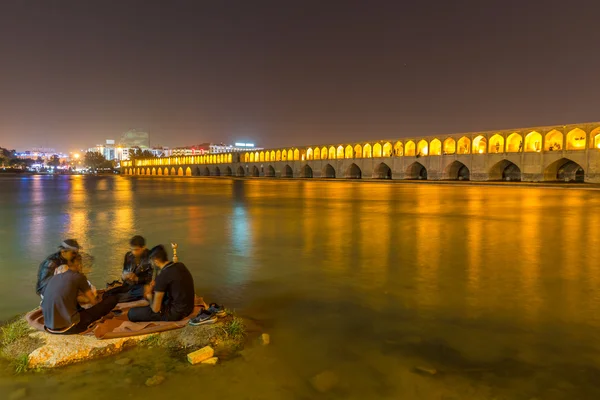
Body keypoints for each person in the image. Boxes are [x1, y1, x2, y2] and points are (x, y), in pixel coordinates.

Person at [41, 254, 118, 334]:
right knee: (112, 299)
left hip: (49, 327)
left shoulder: (53, 279)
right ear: (79, 265)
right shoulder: (78, 277)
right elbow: (94, 302)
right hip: (69, 328)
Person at [128, 244, 195, 322]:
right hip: (189, 308)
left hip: (176, 313)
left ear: (156, 261)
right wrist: (157, 286)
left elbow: (156, 309)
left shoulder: (162, 276)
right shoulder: (180, 265)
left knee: (132, 313)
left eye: (152, 262)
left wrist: (149, 296)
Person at [104, 235, 153, 303]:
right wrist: (125, 276)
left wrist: (137, 279)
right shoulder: (128, 255)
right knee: (107, 295)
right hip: (129, 286)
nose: (133, 252)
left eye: (136, 250)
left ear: (143, 247)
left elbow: (153, 279)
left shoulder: (151, 258)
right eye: (132, 249)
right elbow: (124, 274)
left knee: (117, 298)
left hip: (141, 287)